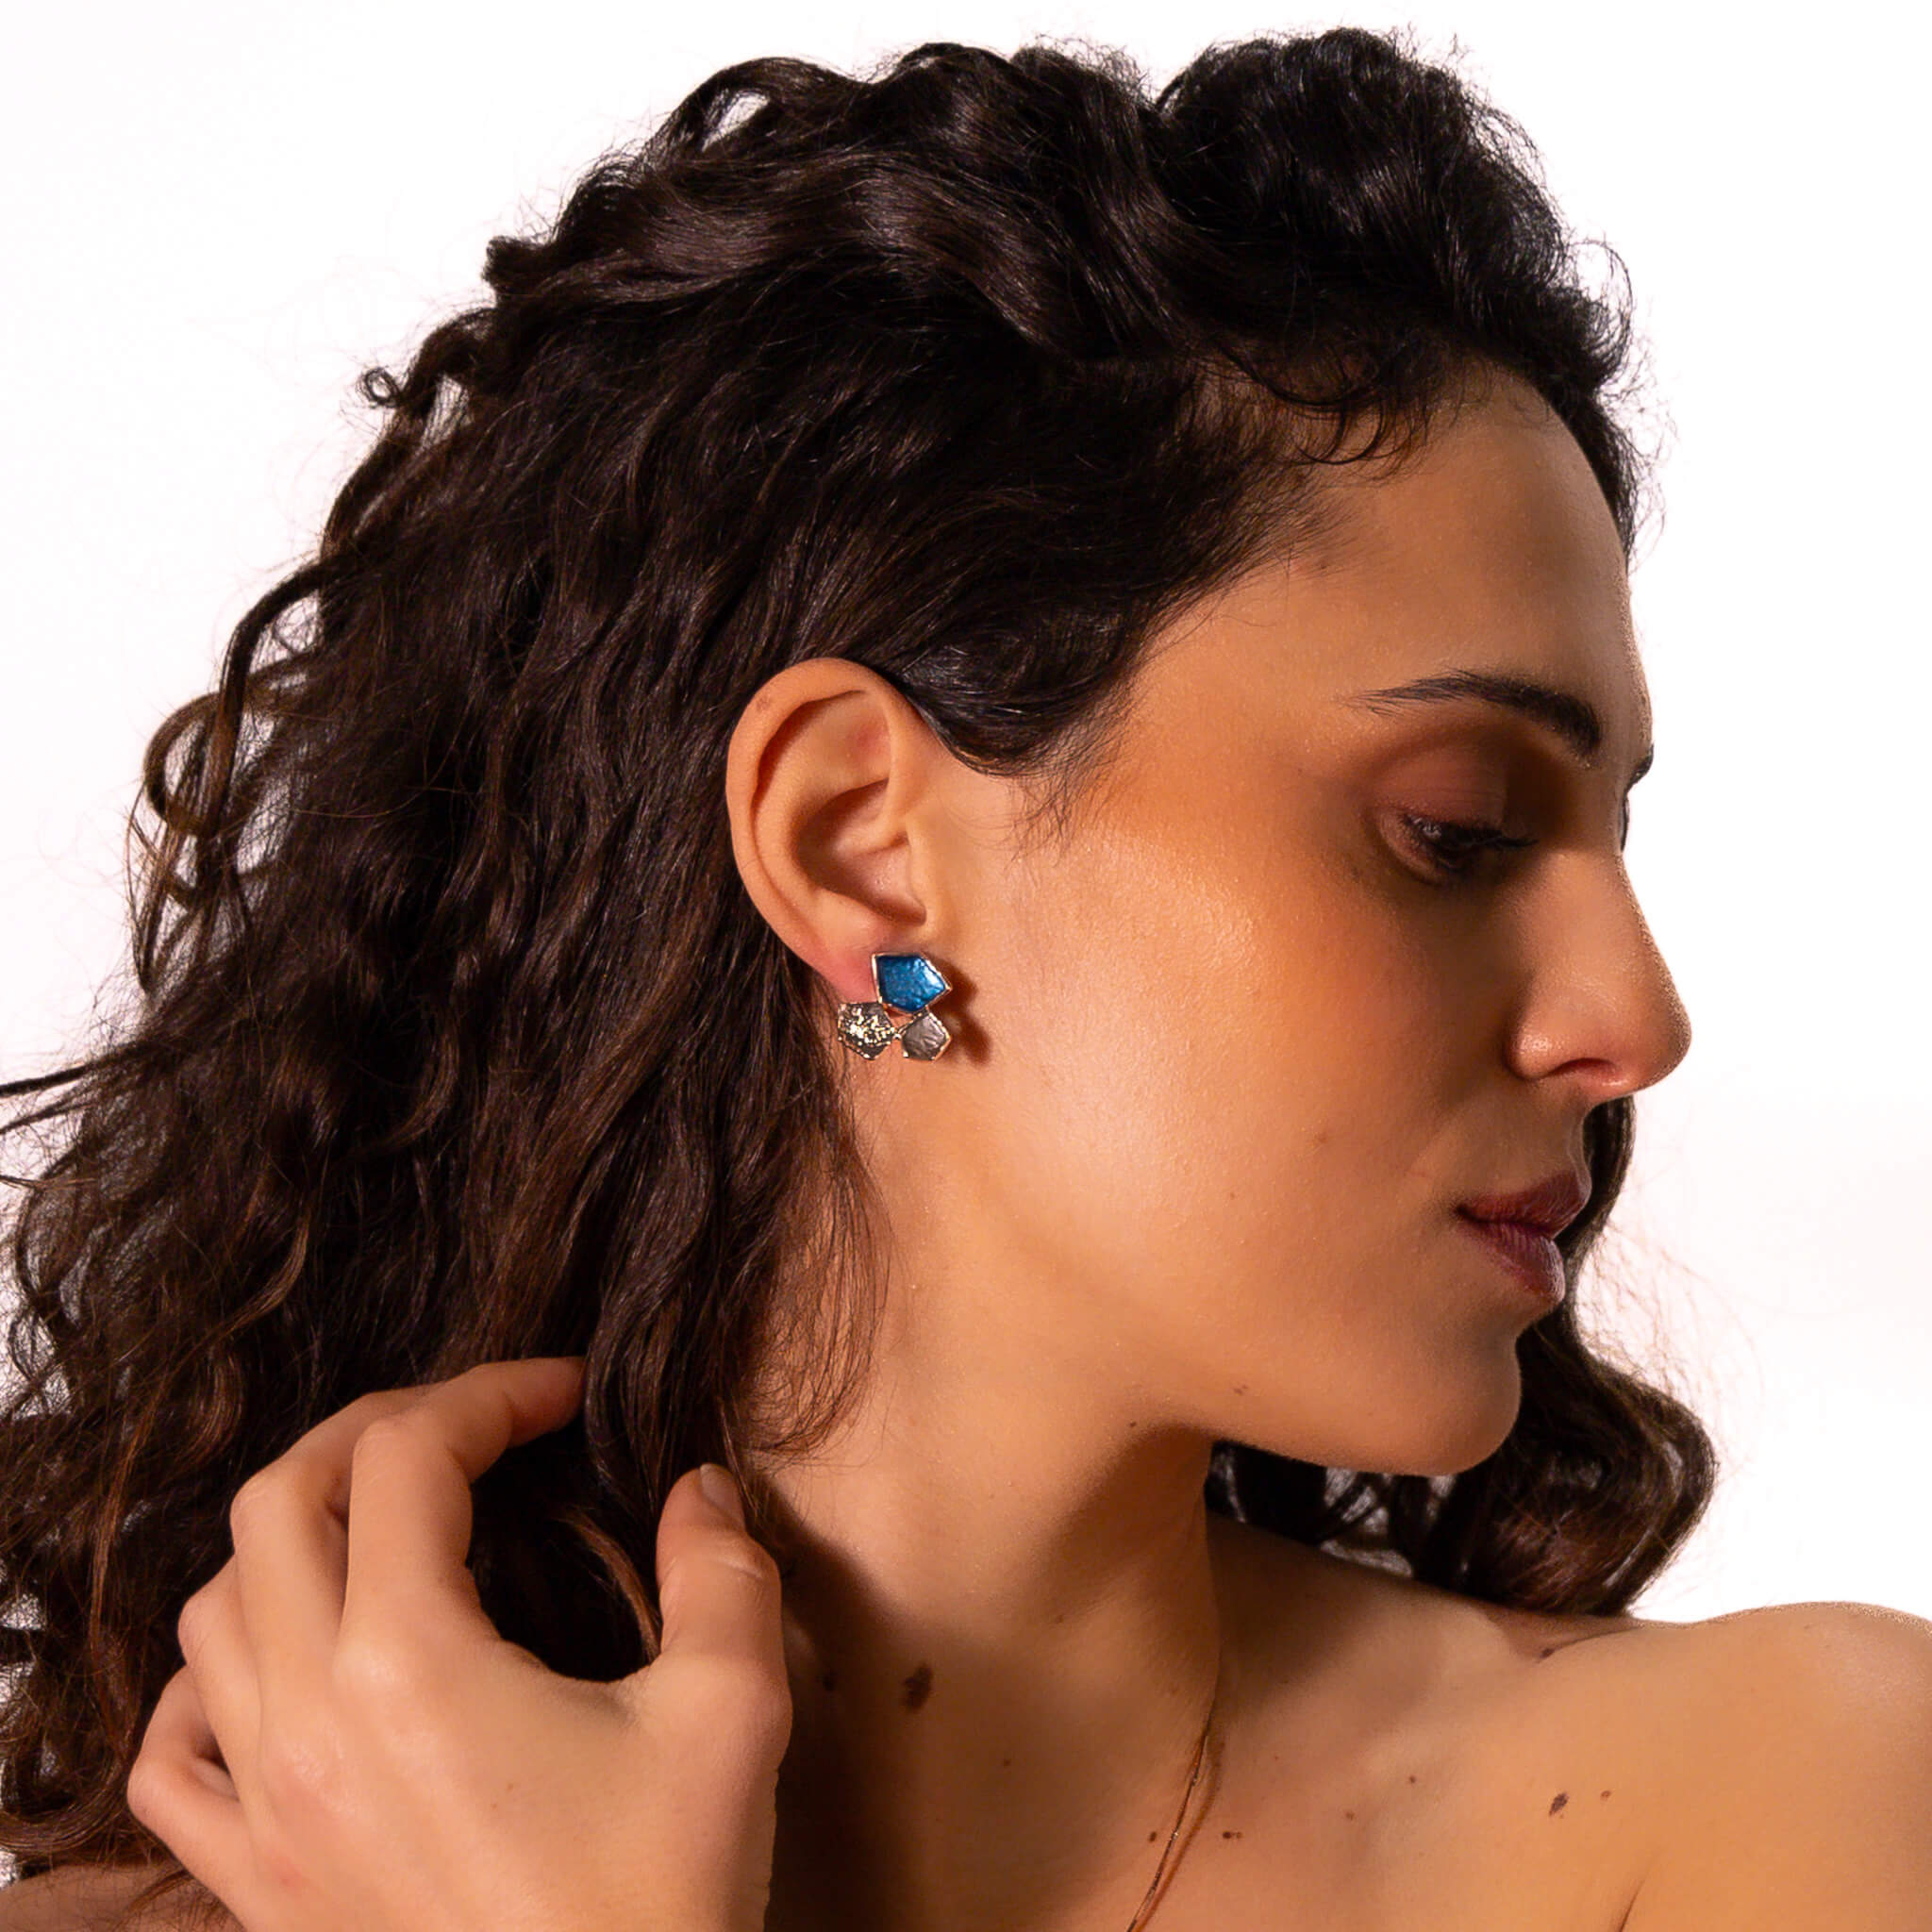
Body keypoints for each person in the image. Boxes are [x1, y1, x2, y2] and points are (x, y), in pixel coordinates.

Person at [2, 25, 1928, 1932]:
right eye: (1454, 828)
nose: (1634, 1019)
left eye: (1611, 834)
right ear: (863, 844)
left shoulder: (1803, 1805)